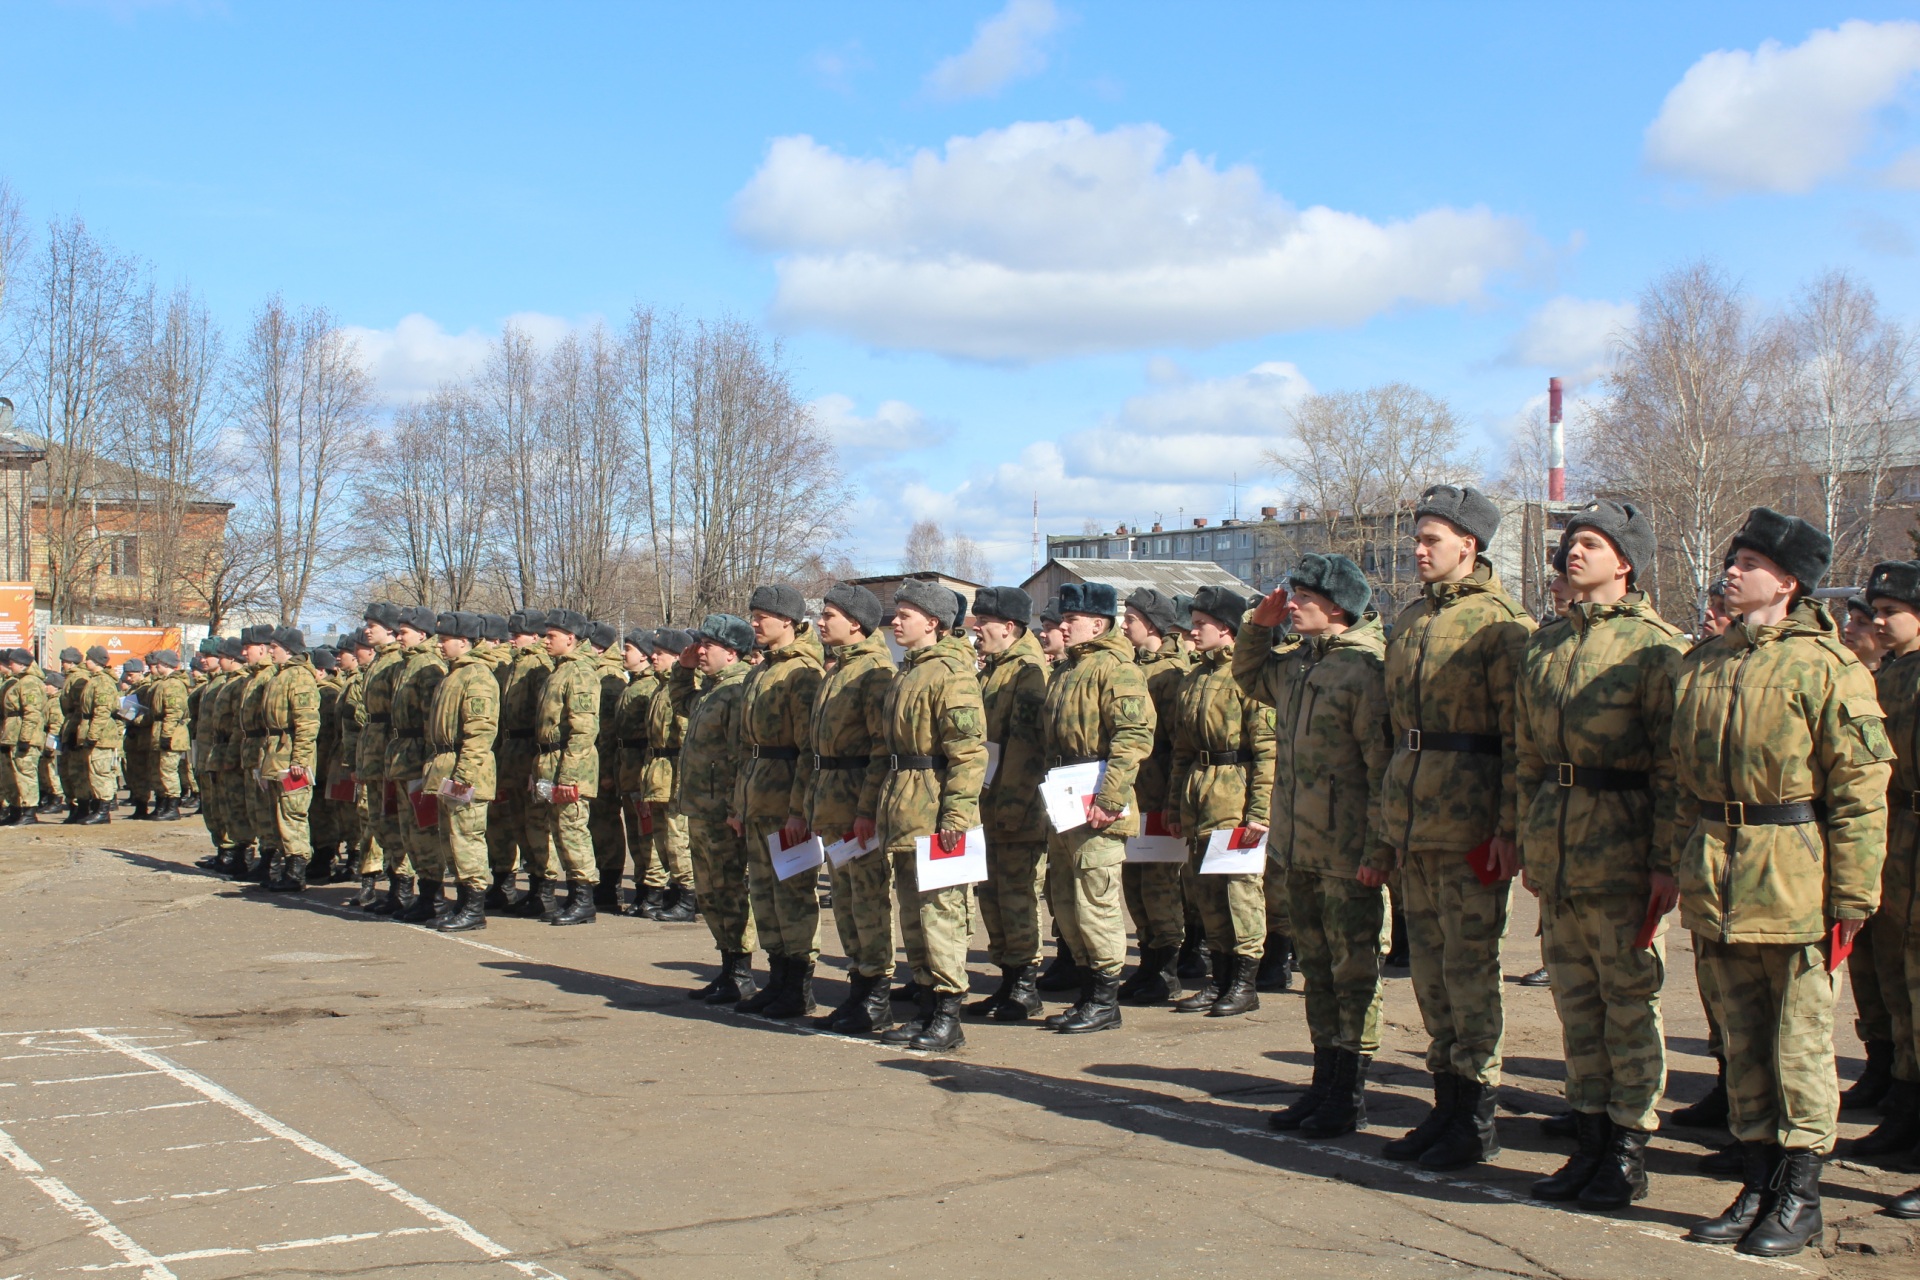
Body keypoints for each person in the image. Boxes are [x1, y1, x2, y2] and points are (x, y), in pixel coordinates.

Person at [1673, 508, 1890, 1256]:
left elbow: (1860, 788)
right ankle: (1757, 1181)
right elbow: (1681, 783)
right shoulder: (1704, 663)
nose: (1731, 571)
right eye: (1732, 559)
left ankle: (1800, 1197)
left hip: (1794, 876)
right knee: (1741, 1043)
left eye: (1749, 562)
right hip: (1718, 876)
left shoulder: (1826, 668)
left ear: (1788, 582)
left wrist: (1854, 898)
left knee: (1797, 1047)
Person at [1514, 503, 1684, 1210]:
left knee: (1628, 1004)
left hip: (1622, 847)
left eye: (1590, 544)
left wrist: (1665, 862)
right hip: (1558, 847)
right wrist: (1526, 834)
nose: (1572, 554)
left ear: (1627, 561)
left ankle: (1626, 1149)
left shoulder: (1657, 648)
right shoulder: (1547, 645)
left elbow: (1676, 768)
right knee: (1576, 1003)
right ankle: (1588, 1137)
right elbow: (1527, 753)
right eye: (1570, 543)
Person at [1378, 484, 1535, 1171]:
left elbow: (1516, 735)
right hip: (1415, 819)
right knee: (1432, 974)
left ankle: (1476, 1113)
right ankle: (1444, 1102)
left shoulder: (1500, 623)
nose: (1418, 551)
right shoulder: (1411, 619)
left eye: (1431, 540)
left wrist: (1506, 825)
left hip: (1469, 820)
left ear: (1469, 547)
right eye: (1417, 539)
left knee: (1470, 972)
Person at [1238, 555, 1392, 1137]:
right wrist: (1259, 627)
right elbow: (1248, 677)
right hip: (1300, 847)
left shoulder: (1365, 670)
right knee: (1318, 970)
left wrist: (1379, 850)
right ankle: (1323, 1083)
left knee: (1353, 973)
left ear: (1337, 607)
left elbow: (1381, 770)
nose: (1293, 603)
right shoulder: (1300, 664)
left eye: (1303, 595)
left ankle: (1347, 1093)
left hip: (1347, 852)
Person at [874, 581, 988, 1052]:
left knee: (941, 913)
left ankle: (947, 1013)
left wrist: (956, 820)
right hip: (904, 807)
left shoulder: (951, 674)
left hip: (938, 808)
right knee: (914, 915)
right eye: (896, 613)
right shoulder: (907, 672)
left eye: (905, 614)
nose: (895, 621)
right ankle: (925, 1005)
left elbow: (967, 756)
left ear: (933, 623)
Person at [1040, 580, 1155, 1034]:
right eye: (1063, 620)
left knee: (1096, 900)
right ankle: (1088, 988)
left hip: (1097, 799)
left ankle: (1105, 998)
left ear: (1099, 623)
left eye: (1072, 620)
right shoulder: (1067, 670)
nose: (1063, 627)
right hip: (1065, 796)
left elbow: (1132, 738)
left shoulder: (1116, 669)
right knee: (1067, 901)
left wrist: (1111, 798)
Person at [1167, 584, 1275, 1018]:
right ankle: (1220, 978)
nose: (1192, 633)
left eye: (1200, 625)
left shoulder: (1247, 678)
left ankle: (1245, 982)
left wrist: (1260, 811)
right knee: (1206, 892)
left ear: (1226, 629)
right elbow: (1181, 750)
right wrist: (1176, 805)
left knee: (1239, 891)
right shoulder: (1195, 678)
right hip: (1200, 793)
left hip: (1236, 789)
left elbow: (1268, 750)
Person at [805, 583, 898, 1034]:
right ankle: (858, 983)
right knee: (844, 899)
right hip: (831, 800)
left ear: (855, 623)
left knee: (867, 899)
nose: (820, 623)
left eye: (829, 615)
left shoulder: (874, 673)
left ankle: (876, 991)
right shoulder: (838, 670)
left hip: (857, 801)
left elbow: (882, 749)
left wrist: (867, 810)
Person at [732, 584, 827, 1018]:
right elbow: (745, 747)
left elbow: (809, 748)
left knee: (792, 892)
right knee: (764, 892)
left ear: (787, 621)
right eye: (753, 615)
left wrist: (798, 809)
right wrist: (739, 804)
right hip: (756, 794)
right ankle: (778, 975)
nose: (754, 623)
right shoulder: (761, 671)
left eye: (762, 616)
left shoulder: (803, 673)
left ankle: (799, 984)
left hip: (785, 793)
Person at [1856, 561, 1920, 1196]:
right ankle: (1904, 1104)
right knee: (1898, 984)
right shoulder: (1889, 675)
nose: (1878, 620)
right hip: (1897, 837)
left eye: (1892, 610)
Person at [968, 585, 1051, 1022]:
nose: (977, 629)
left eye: (985, 622)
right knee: (992, 894)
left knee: (1016, 894)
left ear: (1011, 627)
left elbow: (1026, 747)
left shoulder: (1027, 671)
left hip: (1016, 803)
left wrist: (1013, 806)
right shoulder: (993, 669)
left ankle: (1023, 985)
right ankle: (1007, 978)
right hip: (991, 800)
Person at [1118, 587, 1194, 1005]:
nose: (1124, 625)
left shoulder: (1170, 673)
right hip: (1132, 794)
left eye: (1131, 618)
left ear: (1151, 624)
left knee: (1160, 885)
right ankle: (1148, 962)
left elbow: (1175, 740)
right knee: (1135, 881)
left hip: (1158, 791)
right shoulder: (1131, 666)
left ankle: (1166, 969)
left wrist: (1171, 798)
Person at [680, 614, 759, 1005]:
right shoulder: (710, 689)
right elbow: (676, 704)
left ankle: (741, 971)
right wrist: (682, 670)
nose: (700, 651)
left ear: (731, 653)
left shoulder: (737, 690)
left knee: (729, 889)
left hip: (721, 810)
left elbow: (738, 756)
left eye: (708, 645)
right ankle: (728, 965)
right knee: (710, 891)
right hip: (700, 806)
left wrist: (735, 807)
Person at [424, 612, 500, 933]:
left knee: (467, 838)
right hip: (446, 768)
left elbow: (479, 731)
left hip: (465, 773)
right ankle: (462, 903)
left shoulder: (477, 676)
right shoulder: (453, 674)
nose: (440, 645)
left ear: (464, 642)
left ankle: (474, 906)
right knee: (451, 840)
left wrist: (464, 776)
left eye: (445, 640)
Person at [531, 609, 603, 925]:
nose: (545, 641)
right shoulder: (559, 671)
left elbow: (584, 728)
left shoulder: (580, 673)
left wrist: (568, 775)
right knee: (560, 832)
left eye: (552, 636)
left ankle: (584, 898)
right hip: (550, 762)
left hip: (569, 763)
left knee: (573, 831)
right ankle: (573, 895)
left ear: (570, 638)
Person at [386, 609, 450, 922]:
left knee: (424, 830)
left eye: (404, 632)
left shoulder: (428, 667)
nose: (398, 637)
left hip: (418, 758)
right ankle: (421, 895)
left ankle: (434, 898)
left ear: (422, 635)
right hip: (403, 756)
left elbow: (431, 720)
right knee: (409, 830)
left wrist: (429, 763)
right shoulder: (407, 665)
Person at [496, 611, 556, 914]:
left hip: (531, 753)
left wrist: (538, 762)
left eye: (518, 634)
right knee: (520, 824)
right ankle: (533, 885)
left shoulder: (538, 666)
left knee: (537, 825)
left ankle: (545, 890)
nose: (512, 638)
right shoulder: (513, 666)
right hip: (512, 754)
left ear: (535, 636)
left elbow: (543, 717)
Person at [356, 605, 414, 914]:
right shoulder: (380, 662)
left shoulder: (395, 663)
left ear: (390, 630)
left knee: (395, 820)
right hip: (375, 749)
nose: (367, 630)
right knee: (378, 819)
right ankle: (394, 885)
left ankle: (403, 887)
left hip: (390, 750)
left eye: (373, 625)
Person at [640, 629, 698, 922]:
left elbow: (687, 736)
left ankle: (688, 894)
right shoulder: (660, 687)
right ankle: (674, 890)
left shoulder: (681, 689)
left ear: (677, 657)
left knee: (678, 837)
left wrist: (682, 778)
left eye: (660, 653)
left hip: (676, 771)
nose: (653, 656)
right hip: (659, 771)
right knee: (661, 837)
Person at [259, 628, 321, 892]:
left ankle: (296, 872)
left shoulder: (299, 678)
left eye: (274, 646)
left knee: (293, 812)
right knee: (278, 813)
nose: (270, 651)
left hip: (292, 758)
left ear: (288, 648)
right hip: (276, 755)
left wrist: (300, 758)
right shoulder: (279, 675)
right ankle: (283, 867)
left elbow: (307, 723)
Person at [613, 630, 667, 916]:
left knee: (648, 833)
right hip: (627, 767)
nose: (624, 653)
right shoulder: (631, 685)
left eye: (630, 649)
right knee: (636, 832)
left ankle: (653, 891)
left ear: (644, 655)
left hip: (641, 765)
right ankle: (642, 886)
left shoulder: (649, 688)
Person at [586, 621, 631, 909]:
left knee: (606, 824)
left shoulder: (610, 677)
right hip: (594, 761)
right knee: (596, 824)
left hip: (604, 762)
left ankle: (611, 885)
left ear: (598, 647)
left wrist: (605, 771)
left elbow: (609, 729)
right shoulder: (594, 673)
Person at [236, 626, 282, 876]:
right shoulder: (253, 676)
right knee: (255, 807)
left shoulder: (268, 676)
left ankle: (271, 859)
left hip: (264, 748)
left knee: (266, 808)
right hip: (250, 747)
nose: (244, 652)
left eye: (248, 648)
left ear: (262, 649)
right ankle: (263, 855)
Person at [74, 646, 126, 826]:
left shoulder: (102, 682)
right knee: (94, 772)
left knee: (100, 771)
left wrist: (92, 735)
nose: (85, 661)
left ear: (95, 661)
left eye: (88, 658)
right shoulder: (95, 680)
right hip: (94, 729)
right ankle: (97, 808)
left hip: (101, 735)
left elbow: (102, 711)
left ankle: (103, 811)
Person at [142, 651, 190, 823]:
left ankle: (172, 806)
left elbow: (173, 712)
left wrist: (167, 735)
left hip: (171, 734)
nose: (156, 666)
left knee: (168, 771)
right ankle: (162, 803)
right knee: (158, 771)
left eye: (159, 663)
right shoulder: (162, 683)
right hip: (159, 729)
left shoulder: (174, 685)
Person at [0, 649, 47, 825]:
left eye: (12, 663)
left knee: (25, 773)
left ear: (22, 664)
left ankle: (29, 811)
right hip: (12, 734)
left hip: (23, 735)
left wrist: (25, 739)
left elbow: (32, 713)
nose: (9, 665)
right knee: (11, 775)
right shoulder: (19, 682)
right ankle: (15, 809)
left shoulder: (30, 683)